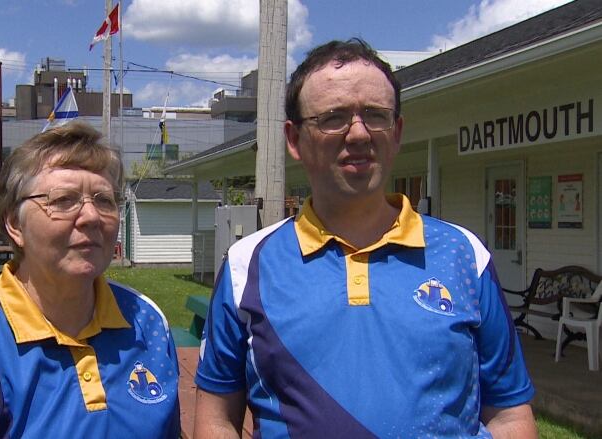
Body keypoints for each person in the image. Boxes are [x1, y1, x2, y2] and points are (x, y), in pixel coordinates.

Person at [193, 39, 537, 438]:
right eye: (333, 117)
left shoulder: (464, 255)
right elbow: (216, 417)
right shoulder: (245, 265)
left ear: (397, 131)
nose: (358, 134)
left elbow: (509, 413)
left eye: (375, 115)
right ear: (294, 139)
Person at [0, 122, 180, 438]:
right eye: (64, 200)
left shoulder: (147, 322)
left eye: (104, 200)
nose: (92, 217)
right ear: (14, 223)